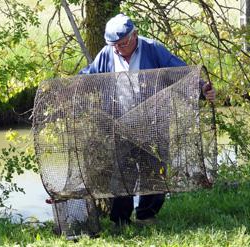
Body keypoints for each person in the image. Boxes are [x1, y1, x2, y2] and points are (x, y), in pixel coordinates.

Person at [79, 13, 215, 226]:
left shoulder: (153, 49)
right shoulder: (107, 54)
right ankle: (121, 221)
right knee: (121, 175)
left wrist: (201, 88)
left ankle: (146, 215)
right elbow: (89, 76)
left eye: (122, 44)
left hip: (154, 123)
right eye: (113, 44)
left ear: (135, 36)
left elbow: (180, 72)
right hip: (120, 123)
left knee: (155, 171)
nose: (117, 49)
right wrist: (72, 89)